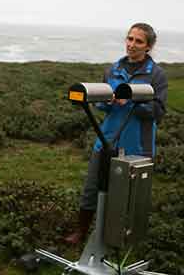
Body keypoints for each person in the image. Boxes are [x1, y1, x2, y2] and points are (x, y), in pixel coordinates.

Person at [65, 23, 168, 244]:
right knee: (92, 188)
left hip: (137, 147)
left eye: (138, 41)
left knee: (128, 197)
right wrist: (107, 101)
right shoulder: (112, 70)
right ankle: (81, 233)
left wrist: (133, 101)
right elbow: (104, 106)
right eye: (129, 39)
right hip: (107, 140)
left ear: (148, 46)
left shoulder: (156, 75)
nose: (132, 45)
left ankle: (120, 239)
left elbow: (158, 112)